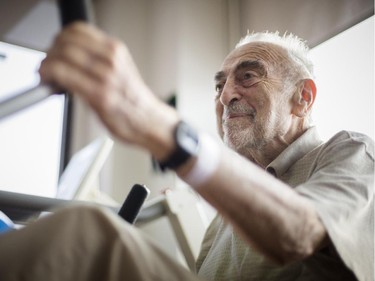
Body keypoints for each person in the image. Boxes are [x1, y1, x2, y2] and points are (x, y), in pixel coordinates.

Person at [0, 22, 373, 281]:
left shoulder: (350, 153)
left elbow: (301, 232)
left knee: (87, 235)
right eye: (220, 85)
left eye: (247, 76)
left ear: (302, 98)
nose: (226, 95)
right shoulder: (225, 220)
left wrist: (161, 128)